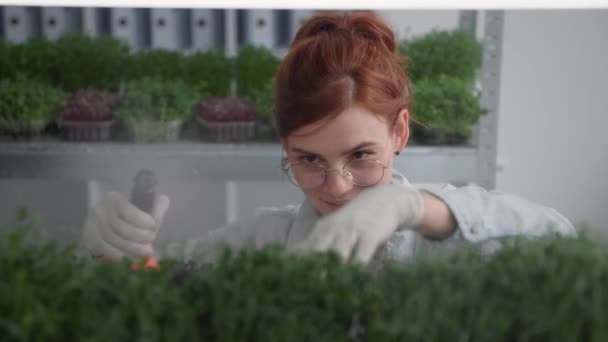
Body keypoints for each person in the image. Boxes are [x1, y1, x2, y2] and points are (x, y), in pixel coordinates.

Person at [81, 11, 576, 265]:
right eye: (308, 159)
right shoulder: (260, 242)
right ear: (285, 149)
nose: (336, 186)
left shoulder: (443, 243)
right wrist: (104, 254)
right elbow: (145, 295)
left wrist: (414, 209)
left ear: (399, 131)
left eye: (361, 156)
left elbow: (560, 241)